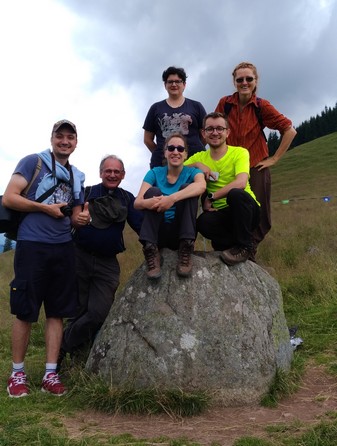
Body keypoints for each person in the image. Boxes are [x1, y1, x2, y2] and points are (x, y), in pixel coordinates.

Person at [2, 119, 87, 397]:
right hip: (31, 245)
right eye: (59, 136)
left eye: (70, 138)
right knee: (25, 310)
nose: (65, 141)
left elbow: (74, 214)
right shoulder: (32, 162)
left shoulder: (77, 175)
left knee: (57, 312)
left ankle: (50, 374)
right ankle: (17, 374)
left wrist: (82, 218)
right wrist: (43, 208)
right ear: (52, 138)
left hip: (63, 246)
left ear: (76, 142)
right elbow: (9, 198)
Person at [59, 155, 143, 368]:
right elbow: (66, 218)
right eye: (108, 171)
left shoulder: (127, 198)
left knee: (99, 312)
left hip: (107, 263)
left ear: (123, 175)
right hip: (79, 257)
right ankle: (76, 359)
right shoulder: (85, 193)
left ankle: (61, 345)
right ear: (101, 173)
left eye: (117, 171)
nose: (112, 175)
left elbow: (141, 226)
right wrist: (74, 220)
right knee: (78, 310)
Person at [215, 62, 297, 258]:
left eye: (249, 79)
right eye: (240, 79)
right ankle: (232, 245)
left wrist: (274, 159)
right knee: (230, 206)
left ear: (255, 81)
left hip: (255, 166)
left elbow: (289, 130)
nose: (244, 83)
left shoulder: (262, 106)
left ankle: (249, 249)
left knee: (257, 209)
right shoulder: (225, 103)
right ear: (234, 82)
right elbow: (215, 129)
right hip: (231, 167)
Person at [184, 112, 260, 265]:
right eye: (210, 129)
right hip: (220, 214)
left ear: (227, 132)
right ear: (203, 133)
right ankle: (228, 247)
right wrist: (197, 165)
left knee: (236, 194)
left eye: (220, 128)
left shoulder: (240, 152)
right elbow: (174, 170)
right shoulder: (200, 157)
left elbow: (241, 183)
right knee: (203, 222)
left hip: (246, 210)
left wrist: (211, 197)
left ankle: (245, 247)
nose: (215, 133)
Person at [134, 132, 206, 279]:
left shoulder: (193, 172)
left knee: (188, 188)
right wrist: (150, 202)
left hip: (179, 232)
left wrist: (171, 199)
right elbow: (137, 202)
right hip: (159, 233)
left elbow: (201, 186)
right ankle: (151, 250)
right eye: (171, 148)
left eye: (180, 149)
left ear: (186, 154)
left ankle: (186, 249)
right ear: (165, 152)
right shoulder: (154, 173)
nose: (175, 152)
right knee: (153, 191)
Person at [143, 66, 206, 168]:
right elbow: (147, 139)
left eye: (178, 81)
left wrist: (195, 149)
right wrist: (163, 152)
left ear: (184, 84)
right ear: (165, 85)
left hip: (194, 162)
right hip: (162, 165)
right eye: (170, 82)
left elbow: (205, 134)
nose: (174, 84)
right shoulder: (155, 108)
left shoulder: (196, 106)